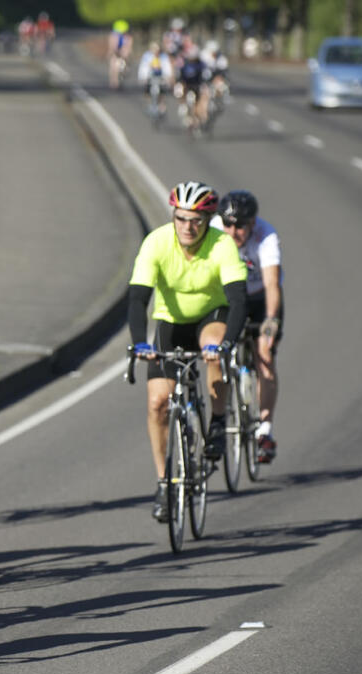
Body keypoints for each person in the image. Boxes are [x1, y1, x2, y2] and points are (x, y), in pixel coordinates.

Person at [128, 182, 248, 521]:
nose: (187, 227)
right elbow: (138, 298)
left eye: (196, 220)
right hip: (171, 321)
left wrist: (225, 345)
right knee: (157, 402)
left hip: (213, 315)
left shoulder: (222, 245)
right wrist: (140, 342)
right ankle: (164, 482)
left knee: (211, 347)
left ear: (209, 219)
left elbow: (238, 300)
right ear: (174, 216)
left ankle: (218, 419)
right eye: (181, 218)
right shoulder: (157, 242)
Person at [211, 191, 282, 462]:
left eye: (240, 225)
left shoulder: (266, 236)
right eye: (228, 224)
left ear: (253, 223)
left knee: (264, 354)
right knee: (217, 347)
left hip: (260, 298)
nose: (233, 231)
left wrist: (271, 321)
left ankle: (265, 430)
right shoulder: (216, 232)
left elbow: (272, 284)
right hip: (229, 299)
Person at [174, 44, 210, 129]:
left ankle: (200, 115)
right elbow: (180, 76)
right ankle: (182, 105)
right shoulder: (184, 63)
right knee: (179, 91)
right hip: (186, 84)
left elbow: (206, 75)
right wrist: (179, 83)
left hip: (197, 85)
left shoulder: (201, 64)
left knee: (202, 98)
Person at [138, 41, 174, 117]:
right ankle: (149, 104)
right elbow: (143, 67)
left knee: (162, 90)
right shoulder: (147, 56)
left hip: (161, 77)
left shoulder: (163, 57)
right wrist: (143, 77)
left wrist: (167, 77)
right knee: (147, 90)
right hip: (150, 77)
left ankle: (162, 104)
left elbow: (167, 67)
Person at [108, 20, 133, 89]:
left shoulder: (128, 37)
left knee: (125, 63)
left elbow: (128, 47)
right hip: (116, 53)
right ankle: (114, 82)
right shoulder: (114, 36)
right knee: (113, 66)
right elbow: (112, 46)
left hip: (123, 53)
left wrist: (125, 54)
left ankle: (124, 71)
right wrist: (114, 52)